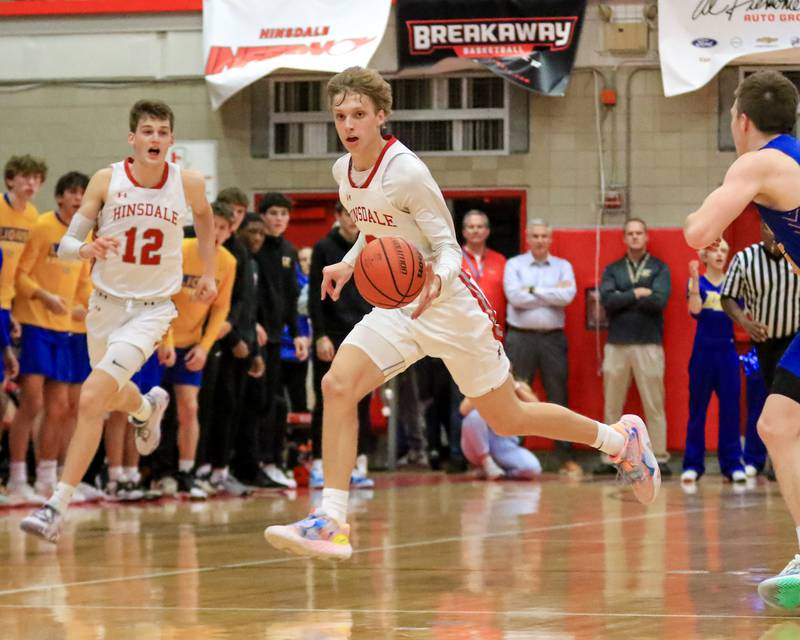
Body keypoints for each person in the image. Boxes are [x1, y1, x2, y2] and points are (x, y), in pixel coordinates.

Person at [264, 66, 660, 561]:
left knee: (508, 418)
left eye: (359, 114)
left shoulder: (406, 171)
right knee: (337, 385)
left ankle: (618, 439)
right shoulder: (343, 172)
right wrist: (348, 262)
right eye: (340, 115)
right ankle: (331, 520)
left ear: (381, 115)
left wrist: (436, 280)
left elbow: (447, 247)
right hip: (398, 307)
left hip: (450, 305)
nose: (348, 124)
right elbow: (376, 231)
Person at [21, 99, 217, 543]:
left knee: (91, 397)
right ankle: (147, 408)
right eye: (147, 131)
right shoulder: (107, 180)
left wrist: (207, 273)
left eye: (162, 131)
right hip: (104, 307)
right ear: (133, 138)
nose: (155, 138)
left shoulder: (187, 183)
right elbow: (66, 245)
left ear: (171, 139)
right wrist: (86, 248)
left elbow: (205, 220)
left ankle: (56, 507)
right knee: (110, 394)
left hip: (152, 310)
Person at [682, 70, 800, 608]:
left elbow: (699, 232)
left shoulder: (758, 162)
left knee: (778, 424)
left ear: (742, 120)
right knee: (777, 422)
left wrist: (693, 215)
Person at [10, 171, 92, 503]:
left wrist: (88, 307)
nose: (78, 198)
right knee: (32, 402)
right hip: (34, 322)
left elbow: (83, 282)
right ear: (59, 197)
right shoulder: (41, 226)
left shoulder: (85, 235)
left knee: (60, 407)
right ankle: (17, 477)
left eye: (83, 193)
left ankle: (48, 477)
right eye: (72, 192)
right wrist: (44, 297)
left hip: (65, 328)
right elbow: (20, 275)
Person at [159, 201, 236, 499]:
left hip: (191, 344)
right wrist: (165, 340)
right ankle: (156, 472)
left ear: (230, 232)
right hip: (159, 338)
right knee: (154, 408)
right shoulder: (179, 249)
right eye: (212, 226)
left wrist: (204, 347)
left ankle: (186, 472)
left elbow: (221, 309)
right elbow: (161, 296)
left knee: (189, 408)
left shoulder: (228, 262)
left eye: (223, 228)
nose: (216, 233)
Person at [720, 222, 800, 477]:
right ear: (761, 230)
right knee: (764, 403)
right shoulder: (745, 258)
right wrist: (744, 322)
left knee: (789, 402)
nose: (773, 233)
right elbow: (727, 296)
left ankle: (785, 463)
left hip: (794, 341)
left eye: (776, 228)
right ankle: (764, 461)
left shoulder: (796, 254)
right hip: (762, 343)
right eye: (768, 228)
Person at [503, 218, 581, 477]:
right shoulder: (514, 264)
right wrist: (550, 293)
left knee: (558, 397)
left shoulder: (563, 266)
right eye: (535, 236)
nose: (539, 240)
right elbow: (514, 297)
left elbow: (567, 296)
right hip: (520, 338)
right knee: (515, 396)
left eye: (544, 236)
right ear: (527, 239)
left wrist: (532, 290)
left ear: (550, 239)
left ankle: (565, 457)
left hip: (552, 340)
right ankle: (513, 457)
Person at [597, 218, 672, 476]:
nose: (635, 237)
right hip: (616, 344)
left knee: (654, 403)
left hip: (649, 344)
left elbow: (659, 301)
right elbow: (608, 300)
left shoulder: (659, 268)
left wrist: (623, 297)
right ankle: (609, 459)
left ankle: (659, 456)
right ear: (624, 238)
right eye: (630, 233)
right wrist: (638, 293)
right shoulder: (613, 269)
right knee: (612, 404)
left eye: (639, 233)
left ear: (646, 236)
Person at [307, 203, 374, 489]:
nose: (352, 220)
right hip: (332, 335)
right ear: (337, 217)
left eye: (357, 214)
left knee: (362, 400)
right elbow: (315, 295)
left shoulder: (371, 246)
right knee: (327, 399)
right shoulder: (324, 248)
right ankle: (319, 464)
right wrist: (320, 335)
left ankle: (358, 464)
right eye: (347, 214)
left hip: (366, 331)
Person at [1, 153, 47, 500]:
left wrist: (13, 311)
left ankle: (15, 477)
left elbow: (19, 273)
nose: (31, 184)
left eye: (36, 179)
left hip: (6, 308)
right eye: (25, 177)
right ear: (10, 180)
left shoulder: (33, 217)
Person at [681, 240, 746, 484]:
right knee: (697, 410)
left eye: (723, 251)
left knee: (730, 410)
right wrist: (694, 280)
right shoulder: (696, 282)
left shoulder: (734, 284)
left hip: (727, 354)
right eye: (714, 250)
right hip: (702, 354)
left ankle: (733, 464)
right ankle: (692, 465)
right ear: (704, 256)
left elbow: (740, 315)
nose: (719, 254)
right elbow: (695, 311)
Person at [460, 379, 542, 480]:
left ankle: (499, 472)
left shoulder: (518, 385)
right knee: (474, 416)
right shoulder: (482, 384)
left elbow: (537, 407)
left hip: (505, 445)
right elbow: (463, 409)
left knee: (533, 469)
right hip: (479, 444)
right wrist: (488, 388)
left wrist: (514, 387)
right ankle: (486, 462)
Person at [461, 209, 506, 331]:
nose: (475, 230)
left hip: (493, 329)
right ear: (464, 232)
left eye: (480, 227)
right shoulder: (454, 258)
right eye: (471, 227)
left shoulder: (500, 260)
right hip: (462, 328)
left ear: (487, 231)